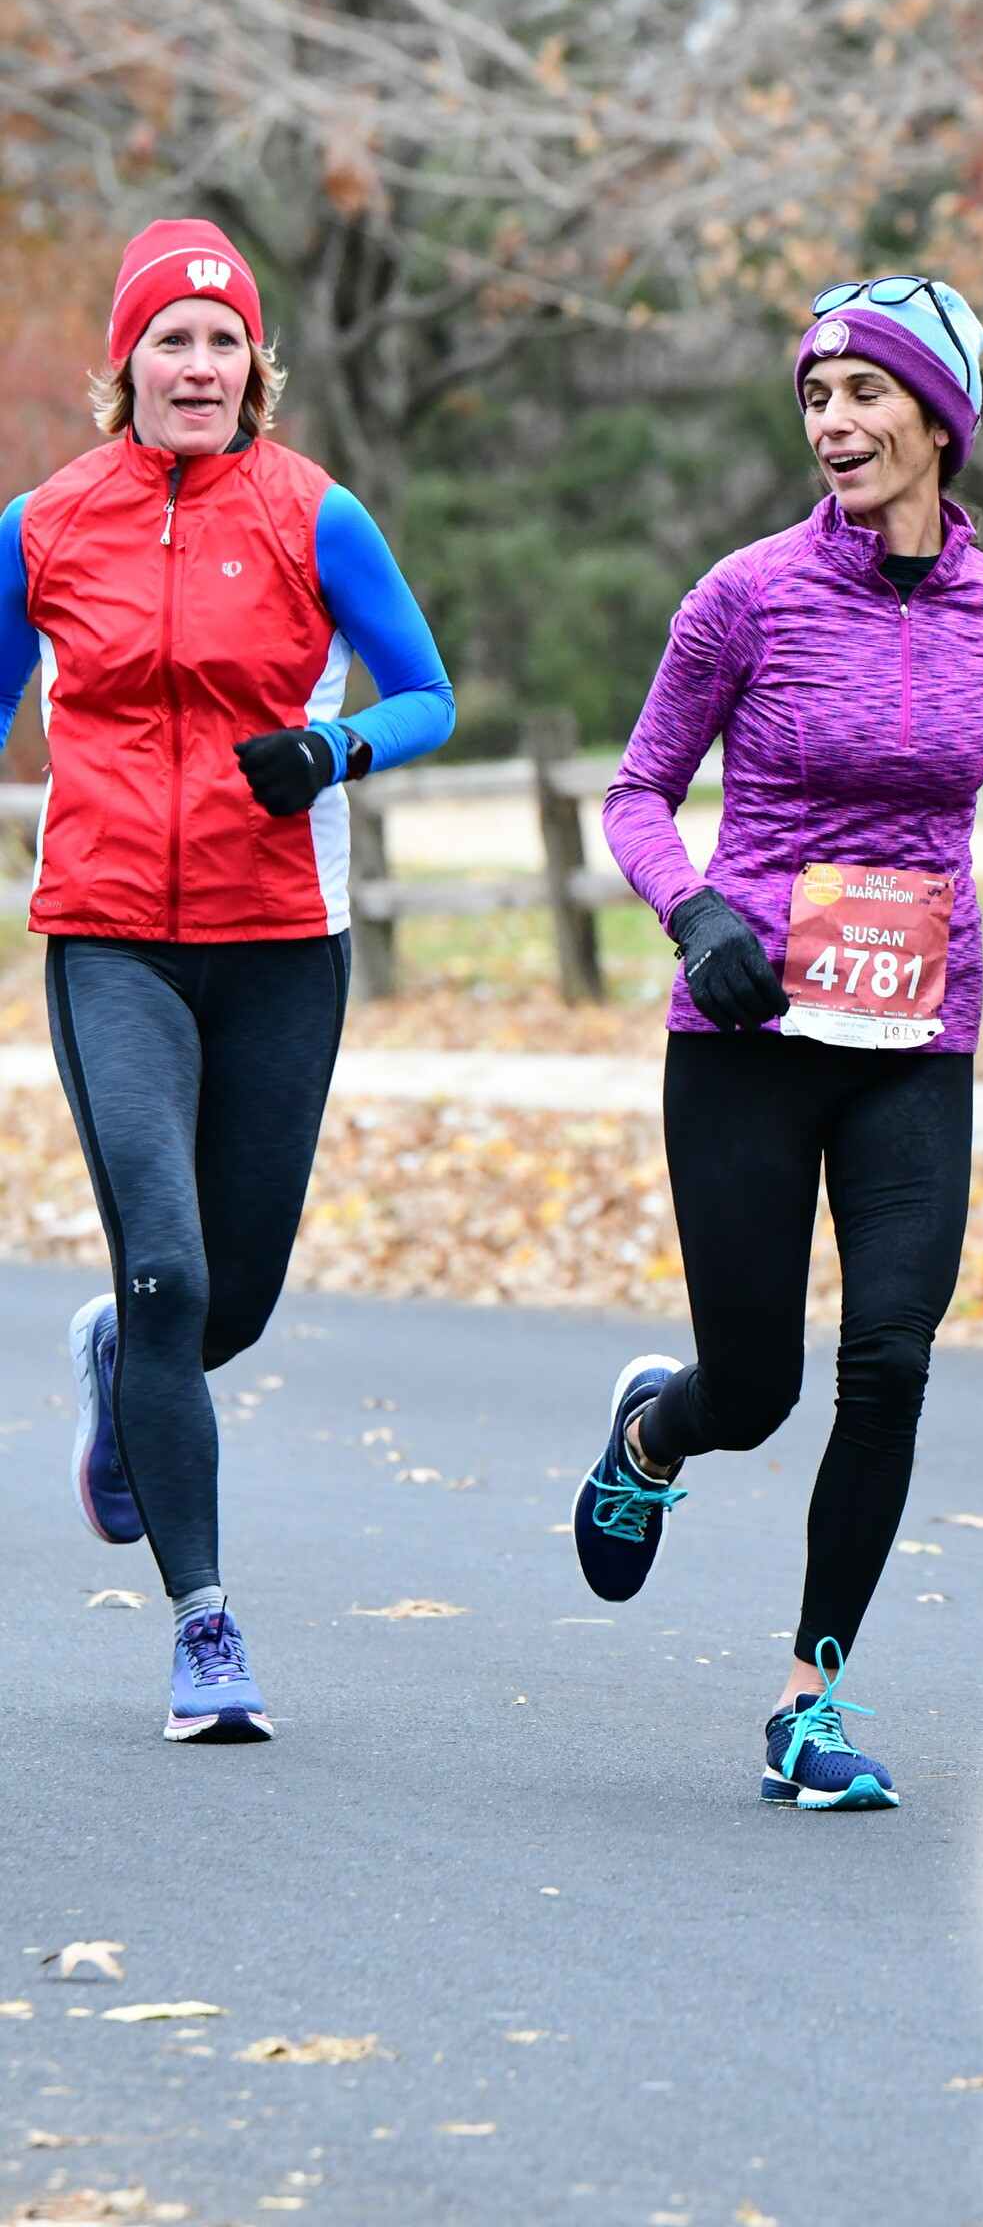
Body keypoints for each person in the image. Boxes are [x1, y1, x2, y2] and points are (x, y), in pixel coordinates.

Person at [573, 275, 983, 1807]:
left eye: (864, 392)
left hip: (914, 1038)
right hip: (747, 1026)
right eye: (815, 397)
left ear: (939, 419)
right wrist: (695, 914)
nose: (833, 421)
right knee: (756, 1390)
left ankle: (809, 1701)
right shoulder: (744, 595)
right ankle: (653, 1434)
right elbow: (636, 792)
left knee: (888, 1363)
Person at [0, 219, 454, 1741]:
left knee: (231, 1303)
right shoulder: (43, 527)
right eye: (171, 340)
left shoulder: (319, 515)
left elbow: (429, 696)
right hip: (110, 934)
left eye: (223, 342)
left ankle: (122, 1362)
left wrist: (334, 746)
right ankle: (204, 1629)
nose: (198, 366)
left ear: (255, 367)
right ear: (124, 363)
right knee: (170, 1272)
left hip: (281, 944)